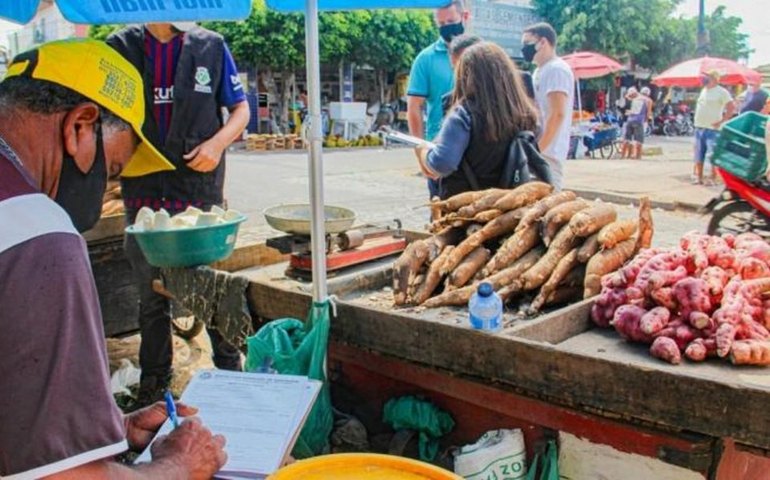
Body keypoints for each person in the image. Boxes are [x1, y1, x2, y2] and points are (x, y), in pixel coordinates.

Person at [0, 38, 226, 479]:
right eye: (113, 172)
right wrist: (180, 465)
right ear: (80, 127)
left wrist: (100, 430)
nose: (108, 189)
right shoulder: (34, 230)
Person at [107, 23, 251, 406]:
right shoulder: (121, 46)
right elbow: (104, 112)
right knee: (150, 294)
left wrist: (218, 144)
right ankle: (155, 383)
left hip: (198, 186)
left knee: (214, 287)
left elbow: (240, 109)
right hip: (144, 189)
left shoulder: (211, 45)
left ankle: (231, 372)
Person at [414, 42, 549, 199]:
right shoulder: (527, 114)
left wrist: (423, 152)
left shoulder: (463, 114)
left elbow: (443, 163)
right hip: (511, 206)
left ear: (466, 76)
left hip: (466, 209)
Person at [407, 0, 470, 199]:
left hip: (481, 153)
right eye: (441, 24)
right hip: (440, 152)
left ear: (465, 17)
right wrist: (420, 150)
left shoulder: (484, 54)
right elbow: (414, 107)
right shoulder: (426, 59)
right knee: (443, 216)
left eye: (451, 21)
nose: (447, 28)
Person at [521, 22, 574, 191]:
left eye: (527, 43)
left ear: (543, 42)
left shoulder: (557, 69)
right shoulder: (540, 71)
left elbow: (557, 114)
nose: (524, 49)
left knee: (547, 209)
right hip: (540, 154)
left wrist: (538, 149)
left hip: (549, 156)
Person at [693, 70, 735, 185]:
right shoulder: (704, 90)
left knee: (712, 155)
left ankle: (712, 178)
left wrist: (722, 121)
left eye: (708, 77)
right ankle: (699, 177)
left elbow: (731, 107)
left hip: (712, 129)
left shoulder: (722, 92)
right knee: (698, 154)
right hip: (699, 126)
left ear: (715, 79)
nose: (705, 79)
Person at [620, 87, 650, 160]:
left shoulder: (634, 100)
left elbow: (631, 109)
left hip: (629, 120)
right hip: (639, 121)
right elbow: (648, 113)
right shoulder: (647, 100)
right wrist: (646, 121)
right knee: (639, 140)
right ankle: (638, 156)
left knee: (627, 139)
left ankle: (623, 156)